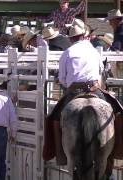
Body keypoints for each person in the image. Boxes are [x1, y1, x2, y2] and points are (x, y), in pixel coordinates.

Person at [45, 24, 123, 165]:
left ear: (71, 39)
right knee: (118, 112)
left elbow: (62, 79)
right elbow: (100, 72)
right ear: (83, 36)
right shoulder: (94, 52)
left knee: (54, 118)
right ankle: (118, 151)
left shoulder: (67, 53)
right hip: (95, 89)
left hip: (74, 91)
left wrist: (64, 80)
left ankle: (60, 155)